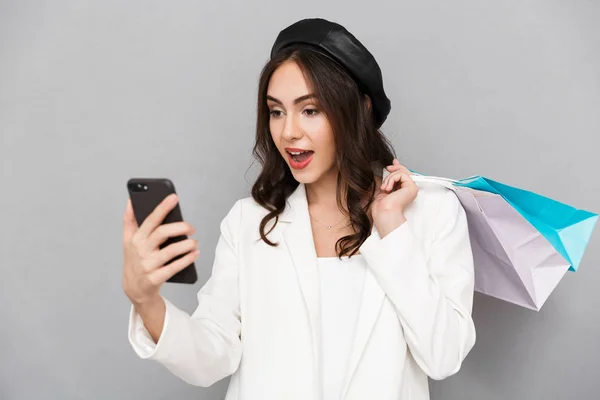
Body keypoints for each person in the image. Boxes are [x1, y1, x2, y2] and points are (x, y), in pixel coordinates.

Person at [122, 18, 476, 400]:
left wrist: (391, 227)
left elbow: (444, 357)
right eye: (276, 111)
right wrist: (147, 301)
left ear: (359, 109)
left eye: (310, 110)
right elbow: (213, 356)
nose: (288, 131)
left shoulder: (433, 213)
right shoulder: (250, 222)